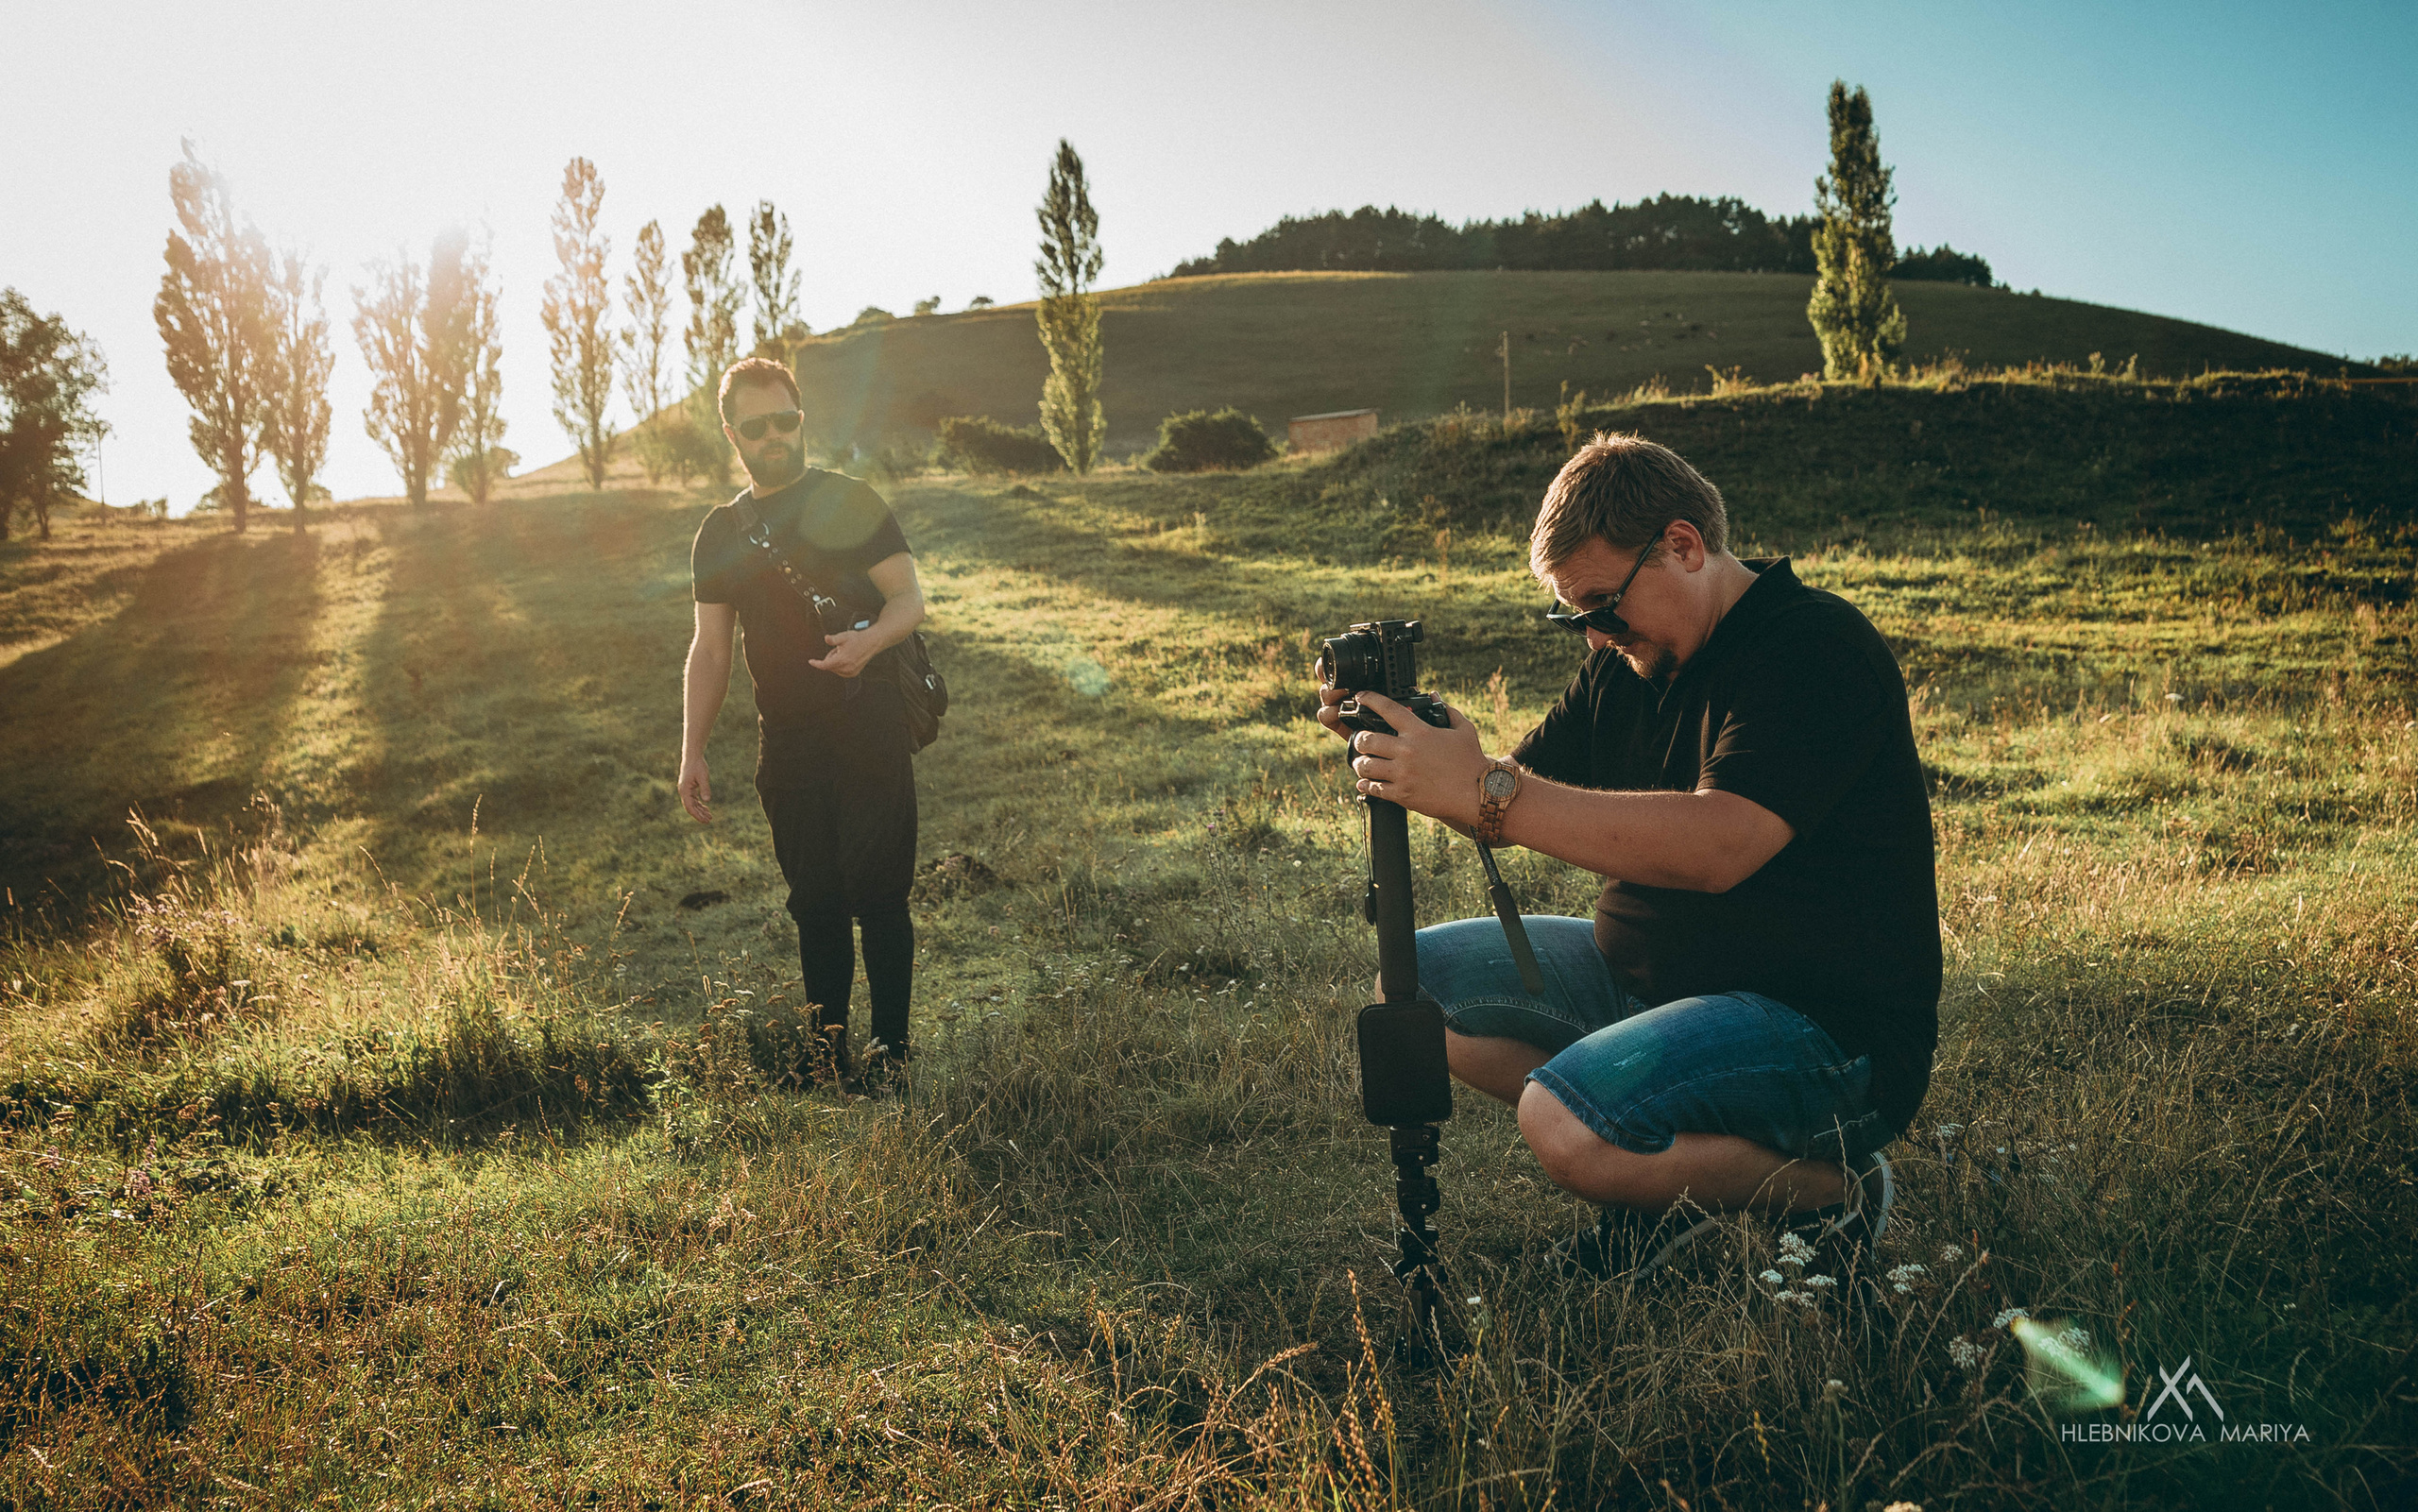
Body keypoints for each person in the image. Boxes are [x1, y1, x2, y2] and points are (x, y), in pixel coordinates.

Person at [1318, 433, 1939, 1278]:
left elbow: (1722, 843)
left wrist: (1489, 793)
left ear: (1682, 545)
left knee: (1562, 1121)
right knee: (1413, 990)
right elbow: (1517, 786)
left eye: (1603, 605)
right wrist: (1415, 746)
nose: (1595, 637)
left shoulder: (1814, 647)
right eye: (1575, 615)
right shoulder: (1628, 662)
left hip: (1822, 1030)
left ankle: (1830, 1189)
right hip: (1650, 986)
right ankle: (1666, 1183)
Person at [679, 358, 928, 1086]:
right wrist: (692, 748)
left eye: (785, 420)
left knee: (881, 895)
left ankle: (891, 1056)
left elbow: (908, 599)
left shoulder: (851, 500)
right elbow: (711, 646)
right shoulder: (720, 533)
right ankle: (826, 1061)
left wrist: (870, 643)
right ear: (733, 435)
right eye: (756, 427)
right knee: (813, 902)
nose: (775, 436)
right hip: (786, 741)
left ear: (800, 417)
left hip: (870, 721)